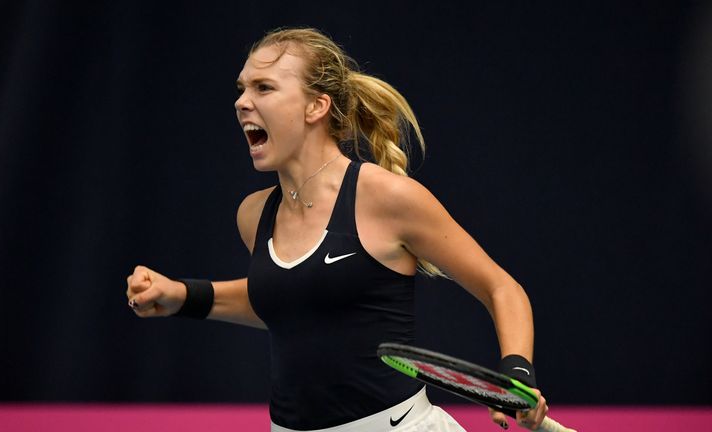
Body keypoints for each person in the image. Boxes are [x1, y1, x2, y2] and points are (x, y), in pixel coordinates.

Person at [126, 27, 548, 432]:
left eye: (264, 87)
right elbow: (288, 301)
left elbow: (501, 288)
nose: (241, 102)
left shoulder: (388, 198)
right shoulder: (253, 215)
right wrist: (182, 295)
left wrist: (517, 376)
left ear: (316, 107)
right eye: (241, 88)